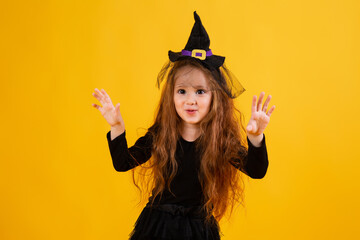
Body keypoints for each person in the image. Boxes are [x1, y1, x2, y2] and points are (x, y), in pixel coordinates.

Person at [92, 11, 275, 240]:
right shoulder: (160, 135)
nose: (191, 100)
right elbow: (122, 163)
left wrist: (256, 137)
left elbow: (257, 171)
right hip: (158, 227)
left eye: (200, 91)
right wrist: (117, 126)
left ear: (214, 97)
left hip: (199, 229)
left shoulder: (220, 140)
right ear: (171, 95)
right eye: (182, 91)